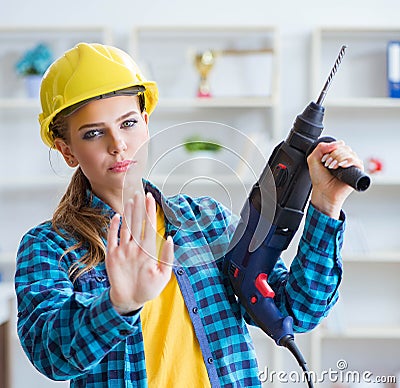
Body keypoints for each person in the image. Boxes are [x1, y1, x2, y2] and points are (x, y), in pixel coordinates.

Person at [15, 42, 363, 388]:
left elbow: (296, 308)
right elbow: (50, 355)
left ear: (146, 123)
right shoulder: (48, 247)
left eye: (128, 123)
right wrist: (119, 304)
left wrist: (326, 206)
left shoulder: (208, 222)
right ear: (66, 151)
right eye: (93, 133)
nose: (117, 144)